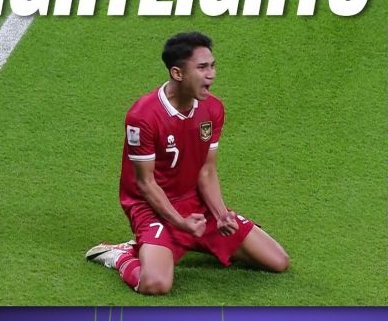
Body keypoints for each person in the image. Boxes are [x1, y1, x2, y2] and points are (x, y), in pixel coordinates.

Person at [85, 32, 289, 295]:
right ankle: (121, 255)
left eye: (212, 66)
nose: (211, 75)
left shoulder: (213, 109)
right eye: (202, 67)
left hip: (194, 202)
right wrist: (181, 223)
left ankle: (182, 243)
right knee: (155, 284)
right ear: (177, 73)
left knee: (277, 261)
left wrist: (220, 214)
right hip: (151, 206)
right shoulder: (143, 116)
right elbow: (146, 184)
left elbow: (207, 171)